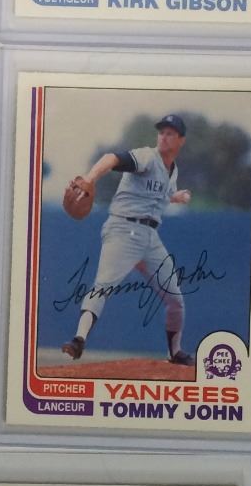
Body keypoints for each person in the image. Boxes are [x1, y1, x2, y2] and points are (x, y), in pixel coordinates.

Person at [60, 113, 194, 366]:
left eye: (170, 133)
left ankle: (175, 352)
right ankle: (78, 339)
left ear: (181, 140)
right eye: (161, 132)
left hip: (150, 238)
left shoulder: (172, 170)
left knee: (176, 299)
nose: (164, 137)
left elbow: (159, 193)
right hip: (123, 229)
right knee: (104, 285)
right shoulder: (147, 157)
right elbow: (112, 158)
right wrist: (90, 178)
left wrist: (175, 197)